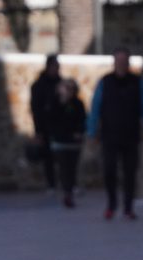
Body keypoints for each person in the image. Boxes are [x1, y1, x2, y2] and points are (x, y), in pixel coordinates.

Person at [87, 46, 143, 220]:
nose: (121, 64)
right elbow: (95, 107)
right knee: (109, 170)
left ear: (128, 62)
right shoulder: (105, 82)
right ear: (114, 62)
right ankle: (111, 204)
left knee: (130, 172)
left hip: (131, 135)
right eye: (118, 60)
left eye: (124, 60)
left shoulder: (137, 83)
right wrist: (92, 131)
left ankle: (128, 207)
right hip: (109, 135)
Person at [48, 78, 86, 208]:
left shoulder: (78, 104)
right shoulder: (54, 103)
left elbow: (82, 120)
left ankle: (70, 189)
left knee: (72, 168)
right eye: (66, 88)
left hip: (74, 143)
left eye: (71, 88)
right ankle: (67, 193)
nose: (69, 91)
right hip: (60, 142)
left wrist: (79, 132)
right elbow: (51, 120)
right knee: (63, 168)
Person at [30, 54, 61, 193]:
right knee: (48, 156)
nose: (56, 69)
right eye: (54, 66)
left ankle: (67, 183)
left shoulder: (61, 83)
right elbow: (36, 109)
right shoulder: (38, 86)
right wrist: (38, 131)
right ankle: (51, 184)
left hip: (60, 126)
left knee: (63, 156)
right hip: (46, 127)